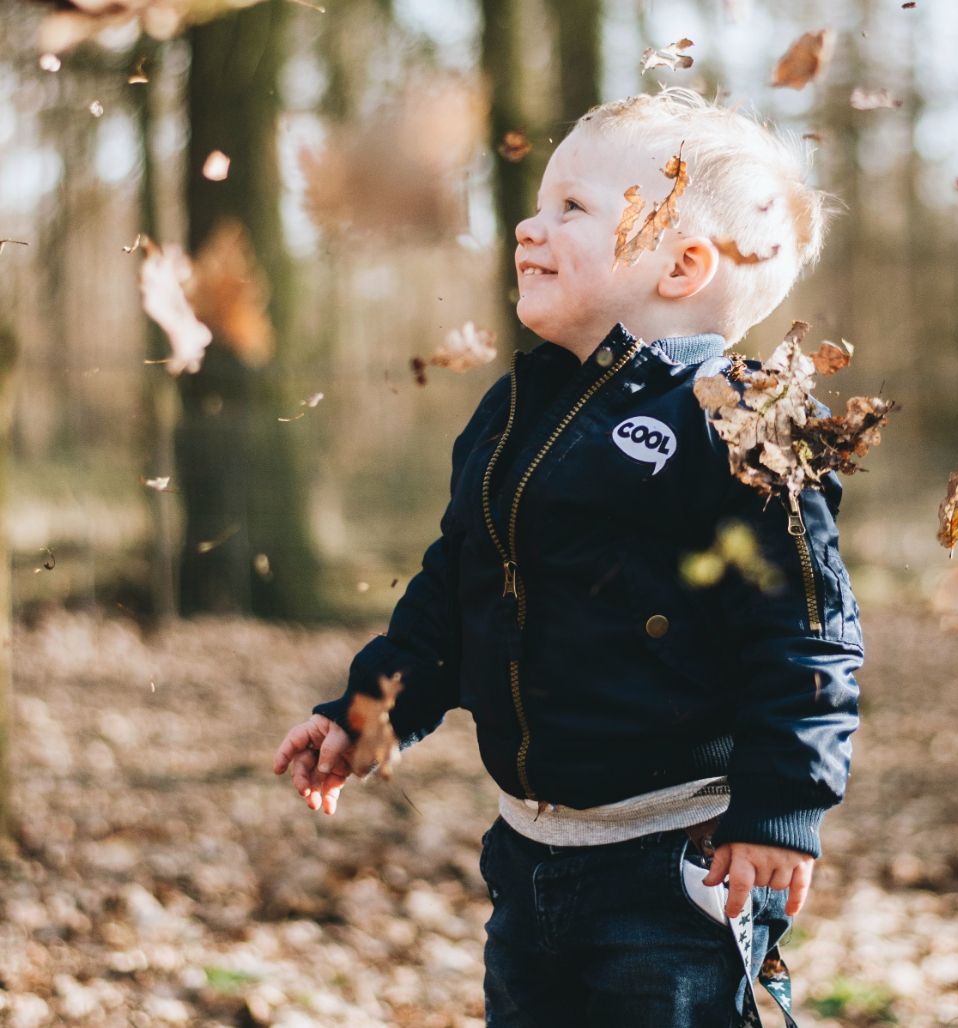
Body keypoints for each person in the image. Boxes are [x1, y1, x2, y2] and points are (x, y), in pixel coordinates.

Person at [274, 87, 863, 1028]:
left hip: (675, 861)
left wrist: (778, 815)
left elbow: (808, 637)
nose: (527, 226)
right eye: (541, 204)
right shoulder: (513, 411)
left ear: (682, 264)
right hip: (528, 854)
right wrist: (363, 718)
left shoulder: (742, 426)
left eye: (572, 210)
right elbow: (452, 590)